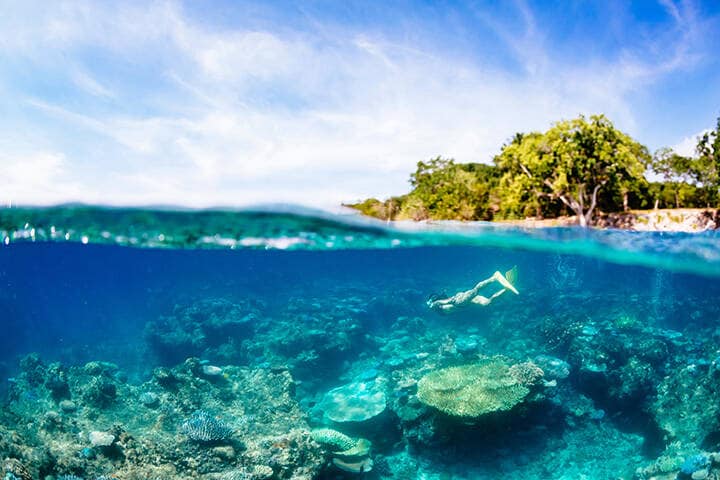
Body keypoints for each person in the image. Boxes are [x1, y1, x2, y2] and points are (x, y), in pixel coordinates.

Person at [427, 266, 519, 312]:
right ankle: (506, 289)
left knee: (475, 291)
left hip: (459, 301)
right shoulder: (440, 308)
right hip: (465, 303)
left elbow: (440, 302)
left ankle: (494, 277)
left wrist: (431, 304)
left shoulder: (438, 304)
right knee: (486, 303)